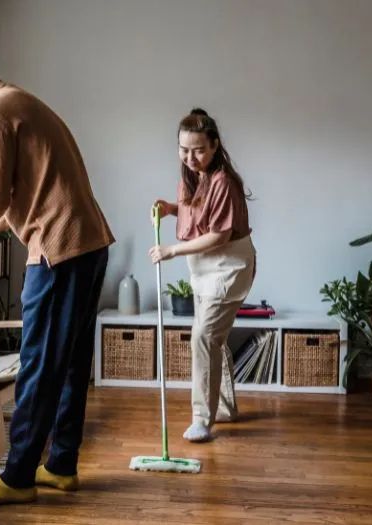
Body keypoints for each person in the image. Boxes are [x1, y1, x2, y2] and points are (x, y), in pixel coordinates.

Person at [0, 30, 114, 505]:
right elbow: (12, 194)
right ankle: (61, 465)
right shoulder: (19, 101)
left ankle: (17, 478)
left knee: (37, 364)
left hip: (58, 249)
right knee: (69, 362)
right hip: (86, 243)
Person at [149, 108, 255, 443]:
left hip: (227, 267)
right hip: (204, 268)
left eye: (198, 149)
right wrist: (171, 208)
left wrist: (172, 251)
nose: (190, 157)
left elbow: (219, 235)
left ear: (214, 146)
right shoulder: (193, 178)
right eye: (184, 149)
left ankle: (202, 419)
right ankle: (223, 408)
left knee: (204, 338)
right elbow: (199, 211)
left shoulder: (223, 180)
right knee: (212, 339)